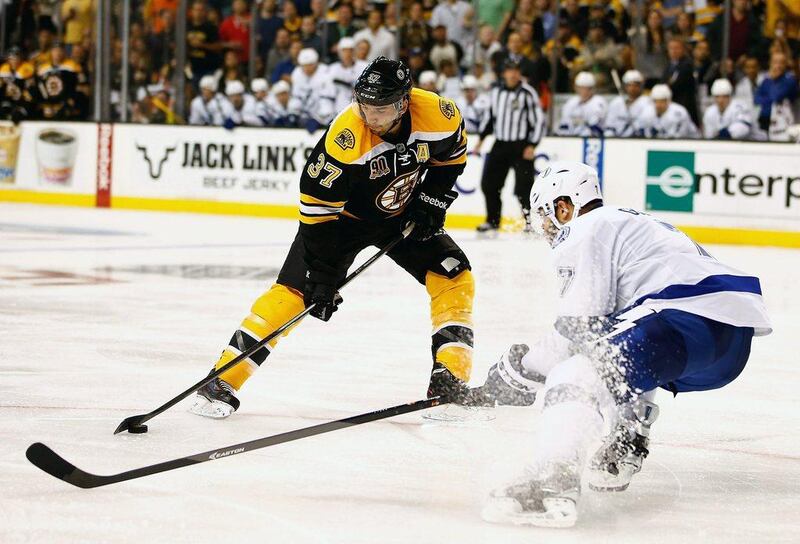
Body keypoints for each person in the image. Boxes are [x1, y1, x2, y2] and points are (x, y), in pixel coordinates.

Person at [476, 161, 771, 528]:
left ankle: (553, 479)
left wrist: (519, 370)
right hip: (726, 343)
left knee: (578, 371)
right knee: (615, 355)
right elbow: (603, 334)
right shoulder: (627, 225)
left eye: (546, 217)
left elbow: (576, 329)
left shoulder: (584, 228)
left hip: (685, 319)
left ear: (563, 206)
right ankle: (628, 436)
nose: (547, 230)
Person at [190, 57, 475, 418]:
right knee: (294, 293)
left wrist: (431, 201)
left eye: (381, 109)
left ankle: (449, 380)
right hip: (339, 222)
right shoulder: (346, 138)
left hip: (399, 216)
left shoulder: (439, 114)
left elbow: (451, 159)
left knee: (454, 275)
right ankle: (224, 377)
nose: (370, 117)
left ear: (404, 103)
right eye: (365, 106)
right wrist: (322, 276)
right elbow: (316, 212)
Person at [474, 59, 546, 234]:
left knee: (524, 186)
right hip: (500, 144)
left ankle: (531, 222)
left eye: (516, 70)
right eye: (509, 70)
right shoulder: (496, 92)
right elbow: (490, 117)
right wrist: (481, 139)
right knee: (489, 184)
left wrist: (532, 145)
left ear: (519, 73)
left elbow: (538, 121)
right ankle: (492, 220)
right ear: (503, 73)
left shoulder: (527, 93)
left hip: (521, 146)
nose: (512, 74)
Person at [754, 51, 799, 141]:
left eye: (781, 63)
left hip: (787, 127)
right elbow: (757, 99)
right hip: (767, 123)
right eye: (775, 62)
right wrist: (768, 101)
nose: (778, 66)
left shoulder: (790, 80)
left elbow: (776, 96)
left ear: (785, 65)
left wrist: (773, 80)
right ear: (770, 63)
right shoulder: (766, 80)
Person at [290, 48, 335, 132]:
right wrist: (293, 113)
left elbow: (326, 102)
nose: (307, 68)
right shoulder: (297, 73)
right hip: (304, 116)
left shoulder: (326, 74)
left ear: (316, 63)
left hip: (323, 118)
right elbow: (296, 97)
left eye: (309, 65)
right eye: (304, 65)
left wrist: (318, 119)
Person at [556, 71, 607, 137]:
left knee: (586, 132)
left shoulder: (599, 103)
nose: (582, 91)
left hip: (591, 138)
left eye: (586, 88)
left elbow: (595, 127)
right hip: (571, 138)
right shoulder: (571, 102)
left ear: (592, 89)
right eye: (580, 87)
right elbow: (564, 123)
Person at [604, 69, 653, 137]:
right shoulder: (617, 102)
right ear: (625, 86)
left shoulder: (647, 102)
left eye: (635, 85)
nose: (632, 88)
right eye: (629, 85)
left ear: (641, 86)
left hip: (638, 140)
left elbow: (646, 124)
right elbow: (609, 124)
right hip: (616, 139)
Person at [663, 37, 699, 125]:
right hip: (672, 106)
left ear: (683, 49)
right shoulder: (669, 65)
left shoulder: (686, 65)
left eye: (676, 48)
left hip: (684, 106)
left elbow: (673, 84)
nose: (673, 51)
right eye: (671, 48)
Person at [328, 37, 369, 113]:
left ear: (354, 51)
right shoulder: (332, 69)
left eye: (350, 50)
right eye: (344, 51)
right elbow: (329, 93)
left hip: (360, 106)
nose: (347, 54)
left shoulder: (364, 67)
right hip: (338, 108)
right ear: (339, 52)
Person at [0, 47, 35, 122]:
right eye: (12, 58)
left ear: (21, 59)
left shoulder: (27, 70)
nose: (14, 61)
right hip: (8, 102)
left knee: (17, 116)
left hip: (23, 102)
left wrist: (22, 107)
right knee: (3, 111)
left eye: (16, 58)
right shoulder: (3, 69)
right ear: (8, 59)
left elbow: (30, 95)